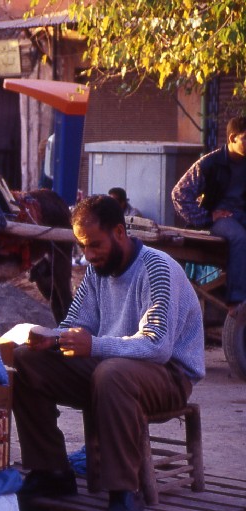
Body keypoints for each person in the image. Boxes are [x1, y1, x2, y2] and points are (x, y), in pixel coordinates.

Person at [13, 195, 205, 511]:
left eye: (94, 245)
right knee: (27, 360)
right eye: (82, 247)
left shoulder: (157, 268)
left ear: (118, 232)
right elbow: (76, 323)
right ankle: (52, 470)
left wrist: (95, 345)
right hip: (111, 371)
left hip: (169, 376)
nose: (87, 256)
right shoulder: (96, 271)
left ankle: (124, 492)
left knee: (112, 372)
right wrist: (52, 338)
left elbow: (157, 346)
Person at [172, 116, 246, 315]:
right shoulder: (210, 163)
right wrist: (206, 217)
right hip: (222, 219)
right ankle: (236, 301)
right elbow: (179, 194)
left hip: (243, 215)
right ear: (232, 138)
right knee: (239, 237)